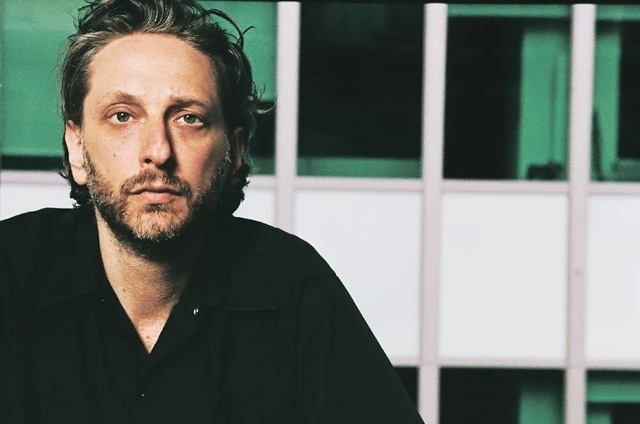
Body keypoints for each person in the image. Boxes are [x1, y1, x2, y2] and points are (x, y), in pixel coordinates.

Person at [0, 0, 424, 423]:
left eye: (189, 118)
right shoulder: (10, 271)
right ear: (77, 148)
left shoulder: (293, 286)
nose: (158, 151)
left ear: (234, 152)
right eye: (123, 116)